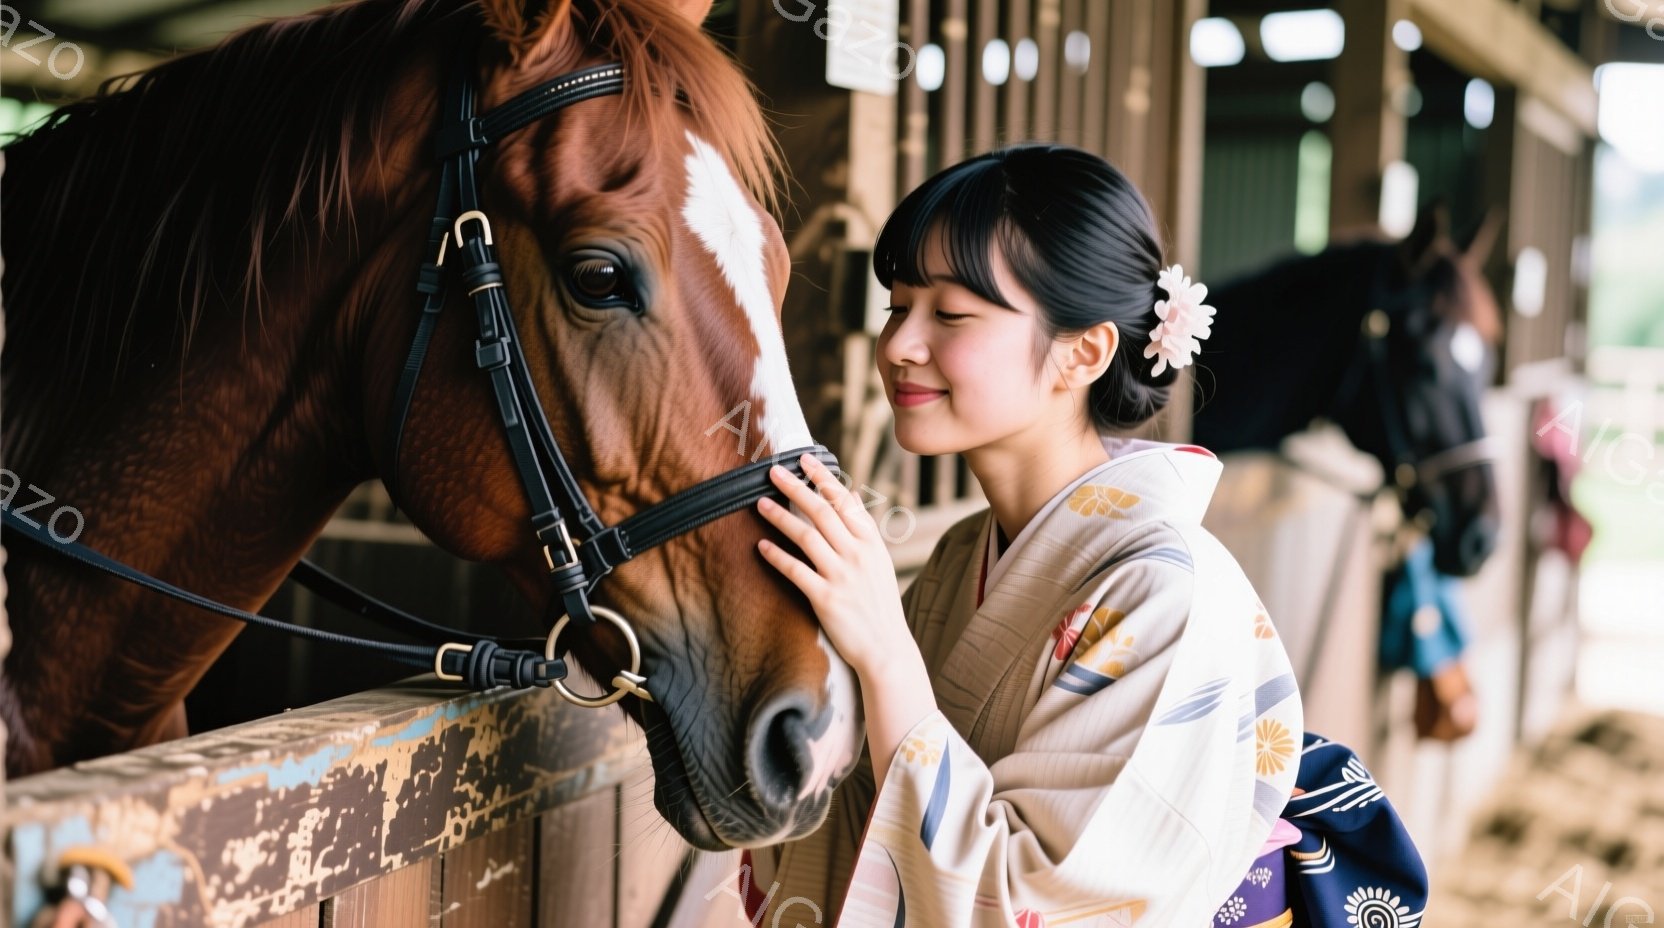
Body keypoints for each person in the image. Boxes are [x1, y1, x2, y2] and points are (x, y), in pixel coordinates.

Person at [747, 144, 1304, 927]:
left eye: (949, 314)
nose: (899, 345)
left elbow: (1036, 903)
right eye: (897, 307)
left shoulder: (1165, 592)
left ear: (1084, 352)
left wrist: (885, 653)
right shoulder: (960, 557)